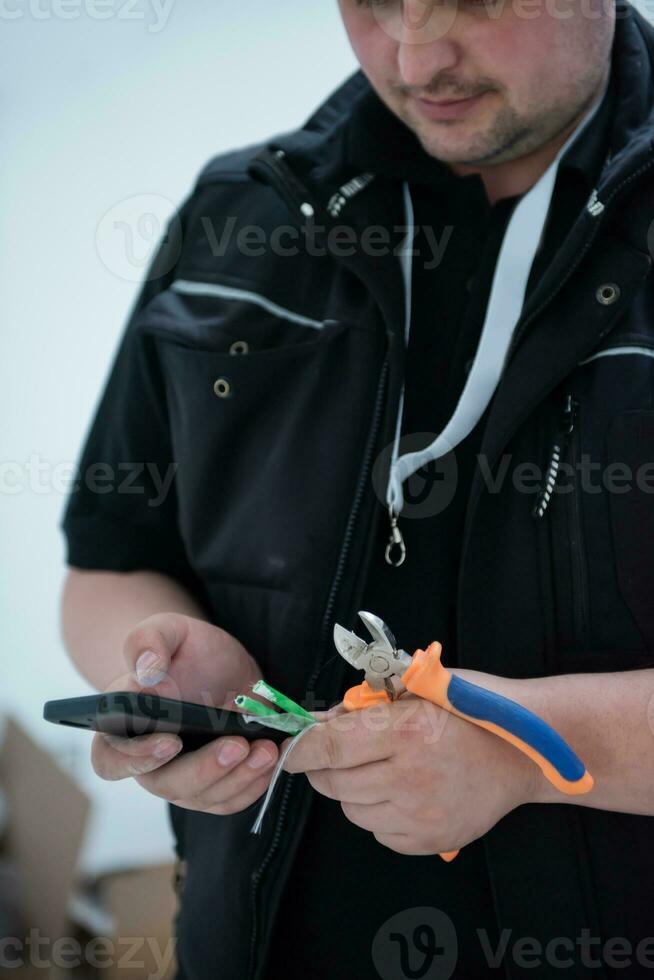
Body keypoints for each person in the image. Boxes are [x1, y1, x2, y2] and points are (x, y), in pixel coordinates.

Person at [59, 0, 654, 977]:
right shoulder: (239, 214)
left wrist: (531, 753)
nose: (418, 55)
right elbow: (111, 562)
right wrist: (164, 661)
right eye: (376, 3)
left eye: (474, 0)